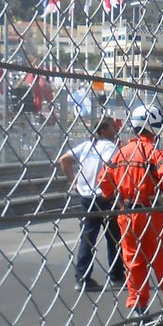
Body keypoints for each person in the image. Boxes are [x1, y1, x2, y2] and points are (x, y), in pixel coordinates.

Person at [98, 104, 163, 313]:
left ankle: (139, 306)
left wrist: (118, 201)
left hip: (126, 214)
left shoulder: (120, 153)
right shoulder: (154, 152)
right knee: (162, 260)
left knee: (133, 261)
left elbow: (104, 181)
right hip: (151, 213)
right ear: (154, 125)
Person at [58, 115, 125, 292]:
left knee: (88, 237)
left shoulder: (88, 145)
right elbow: (115, 170)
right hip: (105, 196)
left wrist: (73, 181)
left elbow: (64, 159)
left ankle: (82, 278)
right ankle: (116, 276)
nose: (116, 129)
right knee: (114, 237)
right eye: (112, 126)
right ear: (104, 130)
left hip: (87, 196)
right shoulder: (111, 147)